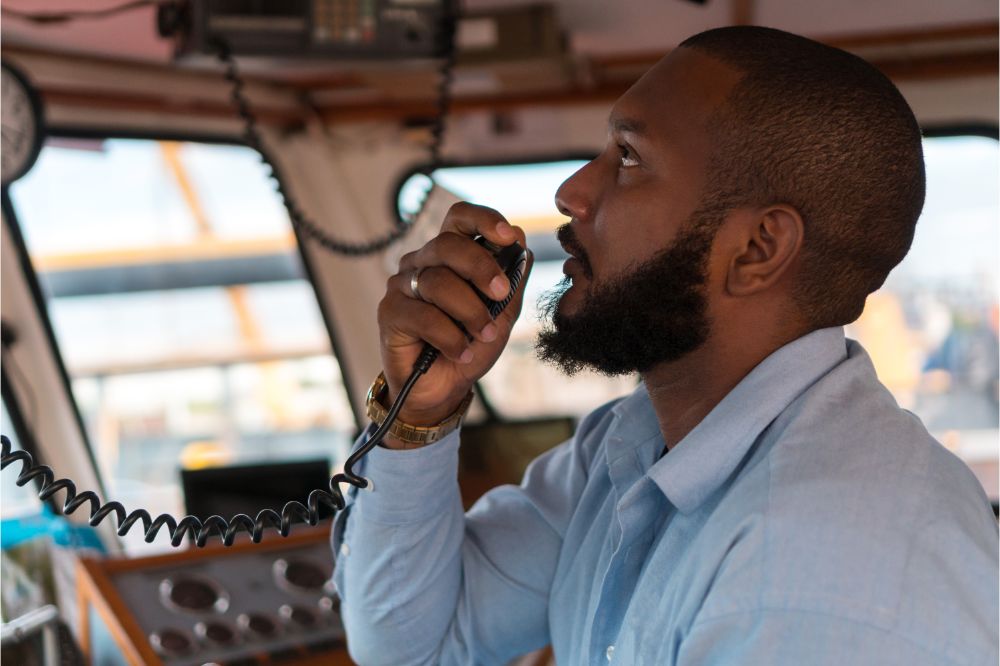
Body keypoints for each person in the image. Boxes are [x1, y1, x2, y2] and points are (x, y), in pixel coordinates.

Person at [332, 26, 999, 665]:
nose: (572, 193)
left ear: (758, 249)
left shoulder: (828, 572)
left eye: (627, 158)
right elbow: (414, 644)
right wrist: (419, 413)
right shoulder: (629, 451)